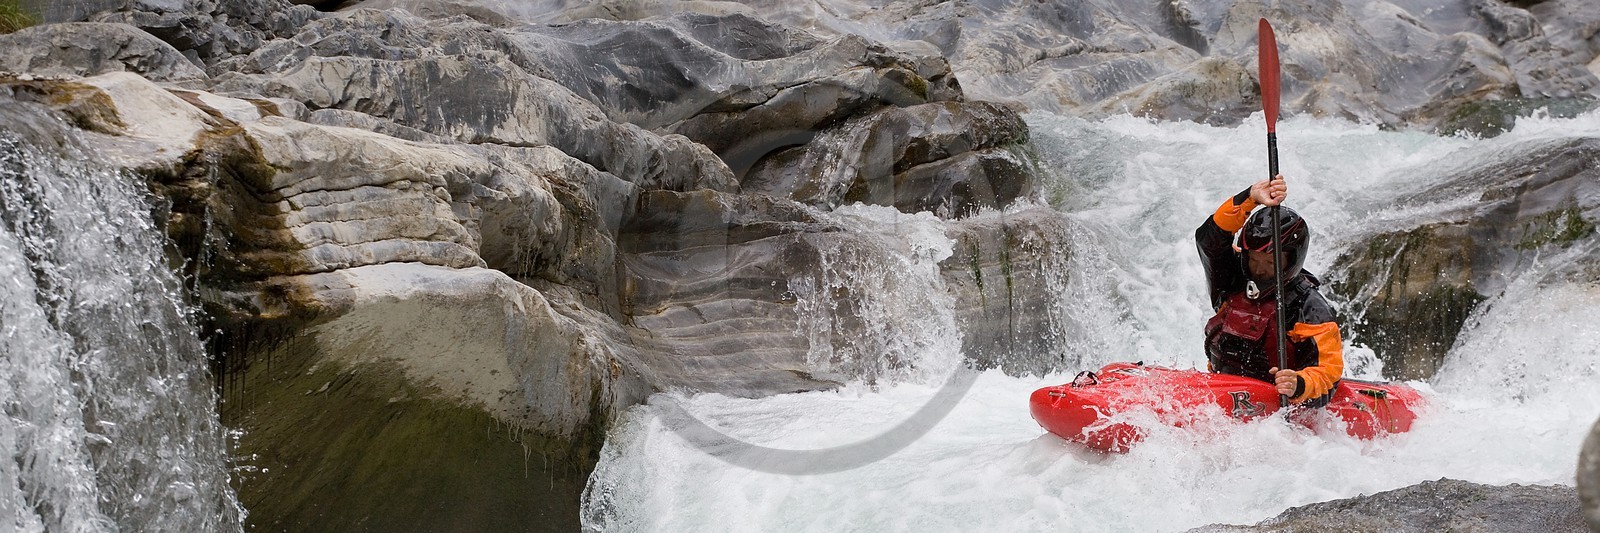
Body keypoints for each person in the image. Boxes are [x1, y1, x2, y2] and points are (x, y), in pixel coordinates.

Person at [1195, 176, 1344, 407]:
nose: (1260, 270)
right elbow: (1209, 239)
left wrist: (1299, 383)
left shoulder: (1310, 306)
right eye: (1254, 259)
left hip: (1275, 407)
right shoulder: (1232, 276)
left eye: (1271, 263)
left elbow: (1328, 373)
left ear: (1291, 261)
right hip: (1221, 389)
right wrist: (1251, 197)